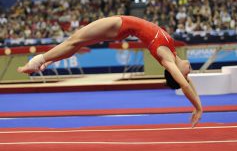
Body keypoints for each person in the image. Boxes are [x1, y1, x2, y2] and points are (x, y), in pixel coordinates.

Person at [18, 16, 202, 127]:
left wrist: (198, 108)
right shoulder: (173, 55)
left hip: (119, 24)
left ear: (176, 73)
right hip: (121, 28)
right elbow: (187, 83)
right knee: (76, 44)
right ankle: (46, 62)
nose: (190, 72)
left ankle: (37, 61)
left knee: (74, 41)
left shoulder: (167, 59)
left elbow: (184, 84)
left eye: (186, 73)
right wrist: (198, 105)